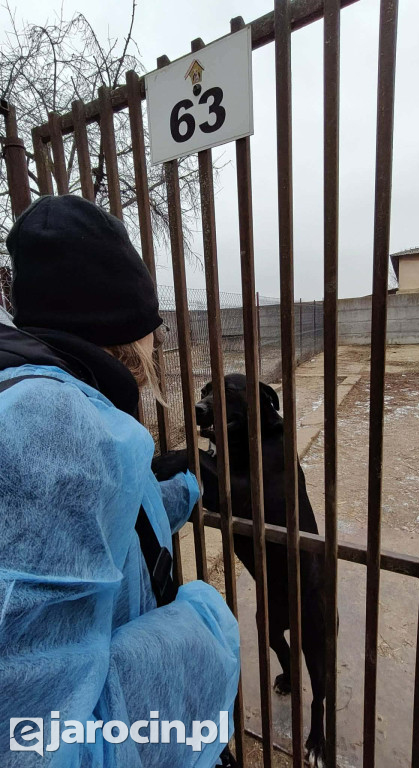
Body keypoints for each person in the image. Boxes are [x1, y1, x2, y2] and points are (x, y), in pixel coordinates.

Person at [0, 195, 240, 767]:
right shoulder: (55, 428)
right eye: (153, 326)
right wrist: (202, 630)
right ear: (126, 331)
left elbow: (79, 542)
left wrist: (168, 497)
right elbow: (39, 745)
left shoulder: (47, 403)